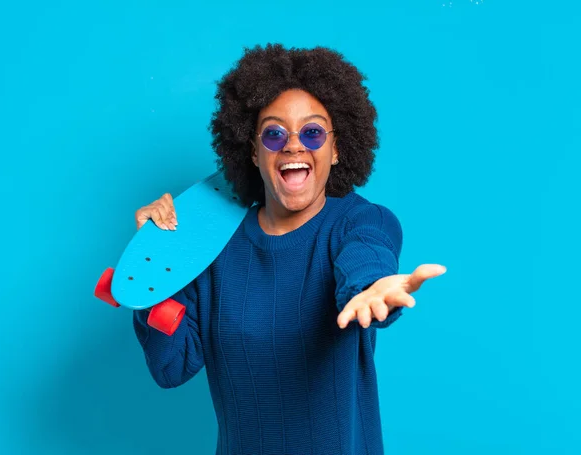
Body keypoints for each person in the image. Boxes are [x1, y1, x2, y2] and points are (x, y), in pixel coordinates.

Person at [132, 43, 446, 455]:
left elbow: (365, 262)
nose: (294, 145)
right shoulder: (212, 245)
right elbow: (171, 366)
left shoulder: (358, 223)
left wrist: (373, 289)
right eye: (274, 133)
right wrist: (155, 268)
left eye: (313, 132)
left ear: (336, 149)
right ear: (253, 151)